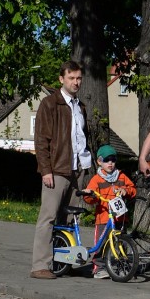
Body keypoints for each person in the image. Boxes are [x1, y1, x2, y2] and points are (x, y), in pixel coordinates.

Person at [30, 60, 94, 279]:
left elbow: (81, 139)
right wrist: (45, 170)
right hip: (56, 169)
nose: (76, 82)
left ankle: (64, 262)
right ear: (61, 79)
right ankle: (40, 265)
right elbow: (41, 140)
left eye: (78, 79)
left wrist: (87, 166)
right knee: (48, 218)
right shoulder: (50, 104)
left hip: (78, 169)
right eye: (71, 78)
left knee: (70, 219)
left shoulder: (80, 106)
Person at [83, 145, 137, 279]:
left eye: (113, 160)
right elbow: (89, 197)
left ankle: (122, 265)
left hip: (120, 217)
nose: (110, 163)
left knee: (121, 242)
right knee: (101, 244)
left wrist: (126, 190)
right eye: (107, 160)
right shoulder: (97, 179)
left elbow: (132, 189)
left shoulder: (121, 176)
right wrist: (89, 194)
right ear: (99, 162)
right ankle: (99, 268)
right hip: (104, 217)